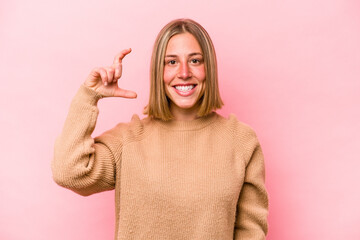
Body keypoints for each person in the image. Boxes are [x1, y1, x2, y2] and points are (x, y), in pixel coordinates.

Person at [52, 18, 268, 240]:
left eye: (195, 60)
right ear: (158, 72)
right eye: (171, 62)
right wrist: (89, 96)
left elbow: (251, 232)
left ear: (209, 69)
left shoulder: (240, 141)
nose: (184, 73)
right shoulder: (128, 141)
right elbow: (69, 172)